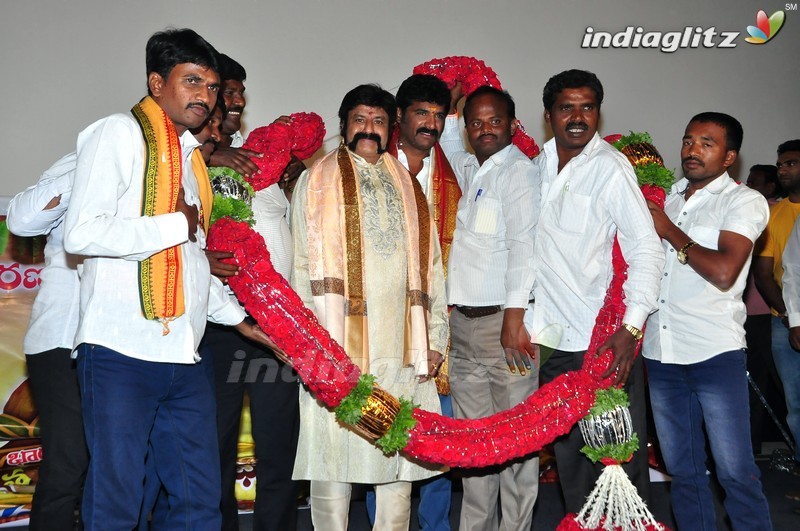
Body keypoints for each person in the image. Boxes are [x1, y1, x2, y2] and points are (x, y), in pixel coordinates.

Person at [62, 28, 273, 529]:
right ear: (157, 83)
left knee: (200, 501)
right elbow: (82, 233)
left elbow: (192, 260)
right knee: (118, 499)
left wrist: (242, 320)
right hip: (120, 353)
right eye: (193, 81)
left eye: (213, 86)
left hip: (185, 353)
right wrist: (177, 223)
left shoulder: (190, 160)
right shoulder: (117, 133)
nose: (206, 96)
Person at [290, 83, 447, 531]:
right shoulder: (314, 180)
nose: (369, 129)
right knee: (334, 462)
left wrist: (434, 339)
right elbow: (301, 263)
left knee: (397, 465)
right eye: (359, 119)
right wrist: (311, 343)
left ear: (391, 128)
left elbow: (433, 267)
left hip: (401, 347)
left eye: (379, 121)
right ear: (343, 125)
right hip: (337, 345)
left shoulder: (409, 185)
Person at [531, 69, 664, 513]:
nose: (577, 117)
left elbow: (646, 247)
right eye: (566, 107)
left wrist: (631, 327)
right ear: (549, 114)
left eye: (587, 107)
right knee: (572, 465)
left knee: (618, 466)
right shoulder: (537, 166)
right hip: (551, 345)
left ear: (598, 113)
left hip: (602, 342)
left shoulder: (609, 167)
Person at [644, 112, 772, 530]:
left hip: (713, 353)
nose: (692, 149)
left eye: (706, 143)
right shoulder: (668, 196)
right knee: (683, 471)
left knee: (735, 472)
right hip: (661, 354)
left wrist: (668, 231)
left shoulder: (742, 201)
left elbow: (723, 271)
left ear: (729, 156)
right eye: (687, 140)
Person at [199, 55, 302, 531]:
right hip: (215, 327)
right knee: (213, 446)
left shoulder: (267, 155)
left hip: (275, 327)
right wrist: (210, 156)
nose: (237, 100)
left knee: (278, 447)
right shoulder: (184, 159)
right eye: (228, 90)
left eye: (241, 91)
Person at [441, 84, 540, 531]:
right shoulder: (471, 167)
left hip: (505, 326)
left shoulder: (517, 172)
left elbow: (526, 245)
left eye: (494, 121)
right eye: (475, 122)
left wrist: (515, 315)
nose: (484, 129)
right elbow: (444, 137)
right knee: (475, 443)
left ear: (512, 125)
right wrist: (451, 100)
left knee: (517, 442)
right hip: (463, 325)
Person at [365, 73, 458, 531]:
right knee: (379, 432)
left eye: (439, 116)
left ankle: (436, 526)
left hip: (437, 321)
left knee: (434, 435)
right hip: (382, 325)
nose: (431, 124)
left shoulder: (455, 169)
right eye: (422, 113)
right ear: (399, 117)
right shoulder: (371, 167)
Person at [6, 154, 87, 530]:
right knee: (69, 459)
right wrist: (98, 164)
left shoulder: (176, 172)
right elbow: (24, 219)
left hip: (121, 342)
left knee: (113, 464)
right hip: (60, 339)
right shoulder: (88, 157)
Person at [754, 139, 800, 470]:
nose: (783, 169)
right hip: (785, 323)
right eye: (781, 164)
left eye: (791, 163)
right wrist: (788, 315)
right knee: (795, 404)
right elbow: (765, 273)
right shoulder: (774, 213)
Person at [743, 164, 782, 454]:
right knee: (754, 383)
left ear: (770, 187)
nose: (748, 185)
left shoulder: (766, 212)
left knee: (776, 382)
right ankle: (753, 444)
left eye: (755, 182)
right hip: (751, 314)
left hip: (770, 314)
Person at [208, 54, 260, 178]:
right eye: (229, 93)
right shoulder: (181, 152)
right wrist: (205, 159)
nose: (241, 102)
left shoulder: (252, 151)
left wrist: (294, 181)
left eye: (241, 93)